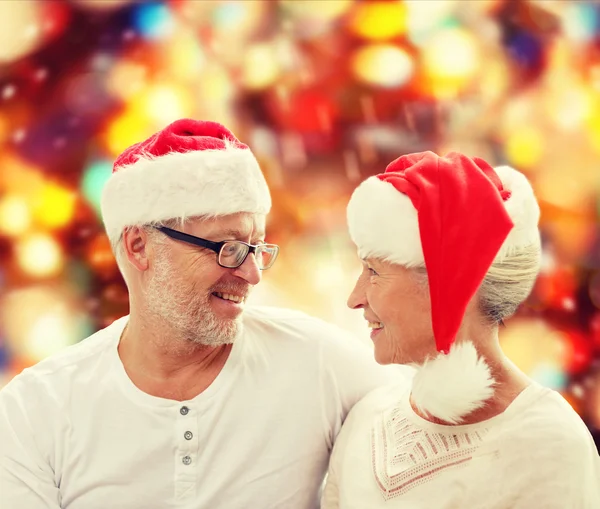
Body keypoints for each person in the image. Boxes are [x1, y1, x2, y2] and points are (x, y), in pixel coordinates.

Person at [0, 119, 408, 509]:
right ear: (139, 246)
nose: (250, 274)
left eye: (256, 250)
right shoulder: (37, 409)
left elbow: (434, 442)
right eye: (227, 248)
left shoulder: (321, 365)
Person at [321, 151, 600, 508]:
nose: (354, 298)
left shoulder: (549, 443)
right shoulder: (366, 419)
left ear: (450, 286)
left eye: (374, 271)